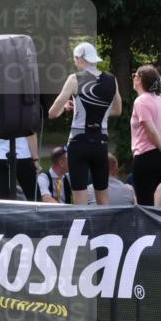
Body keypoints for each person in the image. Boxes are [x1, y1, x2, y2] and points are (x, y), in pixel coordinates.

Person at [47, 42, 122, 205]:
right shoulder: (111, 80)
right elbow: (117, 110)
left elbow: (52, 113)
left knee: (80, 199)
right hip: (100, 142)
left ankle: (82, 230)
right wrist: (99, 113)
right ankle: (106, 230)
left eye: (75, 59)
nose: (74, 62)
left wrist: (67, 108)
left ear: (80, 58)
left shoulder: (74, 79)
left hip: (78, 142)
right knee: (103, 197)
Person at [129, 65, 161, 206]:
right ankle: (153, 227)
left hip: (147, 157)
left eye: (134, 75)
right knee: (150, 201)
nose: (133, 78)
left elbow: (151, 131)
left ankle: (147, 229)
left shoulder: (141, 101)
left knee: (144, 204)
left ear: (139, 79)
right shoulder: (159, 100)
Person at [0, 134, 40, 201]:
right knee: (34, 196)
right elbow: (30, 134)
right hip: (22, 155)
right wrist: (35, 159)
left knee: (2, 197)